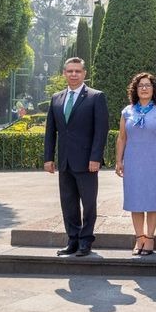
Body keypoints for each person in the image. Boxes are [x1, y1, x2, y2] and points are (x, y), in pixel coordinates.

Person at [43, 57, 109, 257]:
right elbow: (50, 131)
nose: (73, 74)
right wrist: (48, 158)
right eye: (70, 71)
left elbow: (101, 130)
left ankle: (86, 241)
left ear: (84, 74)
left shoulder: (96, 97)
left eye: (77, 71)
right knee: (68, 203)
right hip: (64, 162)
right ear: (64, 73)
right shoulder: (56, 98)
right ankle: (72, 240)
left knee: (88, 204)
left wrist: (95, 157)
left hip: (88, 162)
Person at [115, 73, 156, 256]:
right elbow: (122, 138)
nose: (144, 88)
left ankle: (150, 238)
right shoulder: (127, 111)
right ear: (135, 89)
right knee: (136, 200)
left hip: (154, 161)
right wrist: (119, 160)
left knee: (153, 201)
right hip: (133, 161)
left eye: (148, 85)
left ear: (153, 89)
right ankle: (139, 237)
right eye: (141, 86)